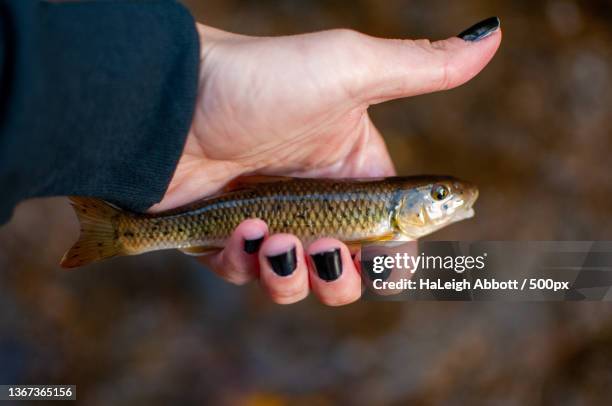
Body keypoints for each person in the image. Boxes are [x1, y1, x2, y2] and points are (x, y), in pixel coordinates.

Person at [0, 0, 501, 305]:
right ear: (404, 205)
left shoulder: (387, 219)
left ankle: (127, 232)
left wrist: (177, 98)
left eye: (442, 197)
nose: (449, 201)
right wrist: (183, 97)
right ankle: (127, 234)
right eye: (439, 195)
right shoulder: (384, 224)